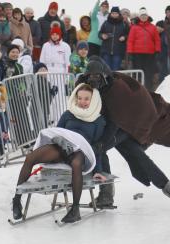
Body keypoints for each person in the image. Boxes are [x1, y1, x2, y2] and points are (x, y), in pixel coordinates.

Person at [77, 56, 170, 211]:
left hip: (130, 124)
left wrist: (102, 142)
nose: (93, 80)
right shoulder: (89, 86)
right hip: (116, 124)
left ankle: (107, 194)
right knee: (135, 155)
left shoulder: (117, 88)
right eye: (90, 77)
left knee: (106, 148)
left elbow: (116, 120)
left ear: (104, 75)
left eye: (97, 76)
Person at [11, 83, 106, 223]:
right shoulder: (68, 114)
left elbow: (97, 148)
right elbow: (56, 133)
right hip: (63, 148)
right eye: (79, 98)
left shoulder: (98, 120)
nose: (82, 102)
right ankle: (16, 200)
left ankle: (75, 209)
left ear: (93, 101)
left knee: (76, 162)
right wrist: (61, 142)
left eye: (86, 99)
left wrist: (99, 170)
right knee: (31, 157)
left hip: (80, 151)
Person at [127, 8, 161, 91]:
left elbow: (157, 40)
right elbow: (130, 40)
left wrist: (157, 50)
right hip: (137, 53)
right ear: (139, 17)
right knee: (138, 72)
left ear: (147, 16)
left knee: (148, 73)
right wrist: (130, 52)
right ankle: (138, 90)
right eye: (142, 15)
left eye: (145, 15)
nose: (144, 17)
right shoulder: (134, 27)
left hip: (150, 54)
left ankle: (148, 90)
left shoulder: (153, 27)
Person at [99, 6, 129, 71]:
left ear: (119, 14)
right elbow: (99, 34)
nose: (114, 15)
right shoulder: (106, 23)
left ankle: (114, 81)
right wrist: (102, 36)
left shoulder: (124, 24)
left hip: (118, 52)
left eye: (116, 13)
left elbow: (128, 35)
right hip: (106, 52)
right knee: (107, 70)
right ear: (110, 14)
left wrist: (124, 37)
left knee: (115, 71)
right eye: (113, 13)